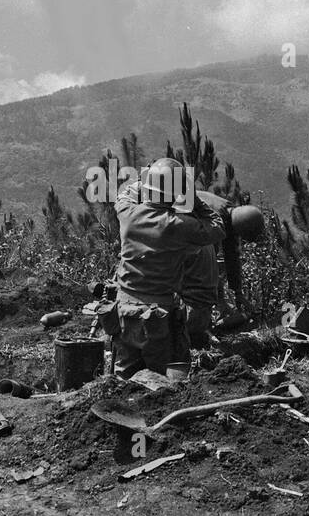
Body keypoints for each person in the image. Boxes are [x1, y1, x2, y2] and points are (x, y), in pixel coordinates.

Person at [111, 158, 224, 377]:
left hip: (123, 308)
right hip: (158, 313)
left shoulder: (127, 214)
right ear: (177, 193)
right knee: (162, 376)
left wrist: (147, 180)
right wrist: (191, 196)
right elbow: (217, 227)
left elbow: (124, 195)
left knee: (123, 375)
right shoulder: (178, 225)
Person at [181, 194, 264, 347]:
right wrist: (220, 299)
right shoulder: (213, 219)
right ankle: (191, 333)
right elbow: (208, 265)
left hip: (185, 231)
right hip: (174, 234)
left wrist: (238, 292)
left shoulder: (230, 213)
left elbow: (231, 255)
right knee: (197, 289)